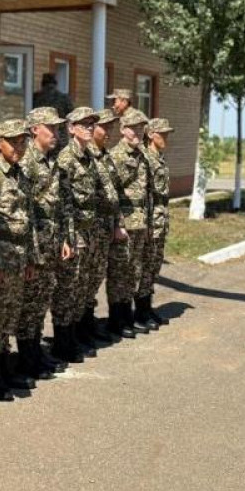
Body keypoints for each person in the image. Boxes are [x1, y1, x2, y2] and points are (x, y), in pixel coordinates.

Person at [0, 119, 40, 400]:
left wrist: (30, 258)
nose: (19, 147)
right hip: (0, 261)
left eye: (22, 142)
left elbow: (27, 219)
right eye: (13, 141)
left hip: (18, 258)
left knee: (8, 318)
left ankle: (5, 369)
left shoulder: (20, 174)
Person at [18, 107, 76, 375]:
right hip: (35, 248)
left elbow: (60, 205)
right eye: (50, 128)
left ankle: (36, 353)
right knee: (29, 305)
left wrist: (64, 237)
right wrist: (30, 254)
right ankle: (27, 358)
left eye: (57, 128)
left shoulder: (50, 161)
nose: (56, 133)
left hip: (50, 243)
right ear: (34, 130)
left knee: (40, 301)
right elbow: (22, 214)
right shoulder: (25, 164)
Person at [53, 106, 104, 361]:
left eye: (92, 124)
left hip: (89, 231)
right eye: (83, 124)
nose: (89, 128)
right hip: (74, 233)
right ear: (71, 128)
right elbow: (64, 204)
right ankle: (63, 343)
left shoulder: (89, 157)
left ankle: (75, 335)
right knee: (67, 289)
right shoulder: (66, 159)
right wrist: (68, 238)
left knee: (82, 287)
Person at [107, 109, 153, 338]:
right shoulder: (116, 156)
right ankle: (117, 320)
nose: (137, 132)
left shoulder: (142, 155)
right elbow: (112, 194)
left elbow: (145, 192)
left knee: (132, 271)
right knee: (119, 273)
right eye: (133, 127)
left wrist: (146, 223)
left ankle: (127, 316)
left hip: (139, 223)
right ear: (123, 129)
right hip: (124, 223)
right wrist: (117, 224)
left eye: (141, 128)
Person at [89, 109, 127, 342]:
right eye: (105, 127)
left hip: (104, 227)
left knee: (94, 280)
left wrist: (116, 224)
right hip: (90, 230)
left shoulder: (105, 156)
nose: (109, 132)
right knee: (85, 283)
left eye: (112, 127)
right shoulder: (89, 156)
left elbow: (114, 194)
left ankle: (88, 326)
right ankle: (84, 329)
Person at [137, 117, 175, 328]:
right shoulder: (146, 159)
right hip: (150, 223)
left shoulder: (159, 158)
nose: (166, 137)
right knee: (145, 266)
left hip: (160, 221)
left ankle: (148, 307)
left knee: (154, 266)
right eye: (163, 134)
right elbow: (146, 196)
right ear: (151, 135)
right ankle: (141, 311)